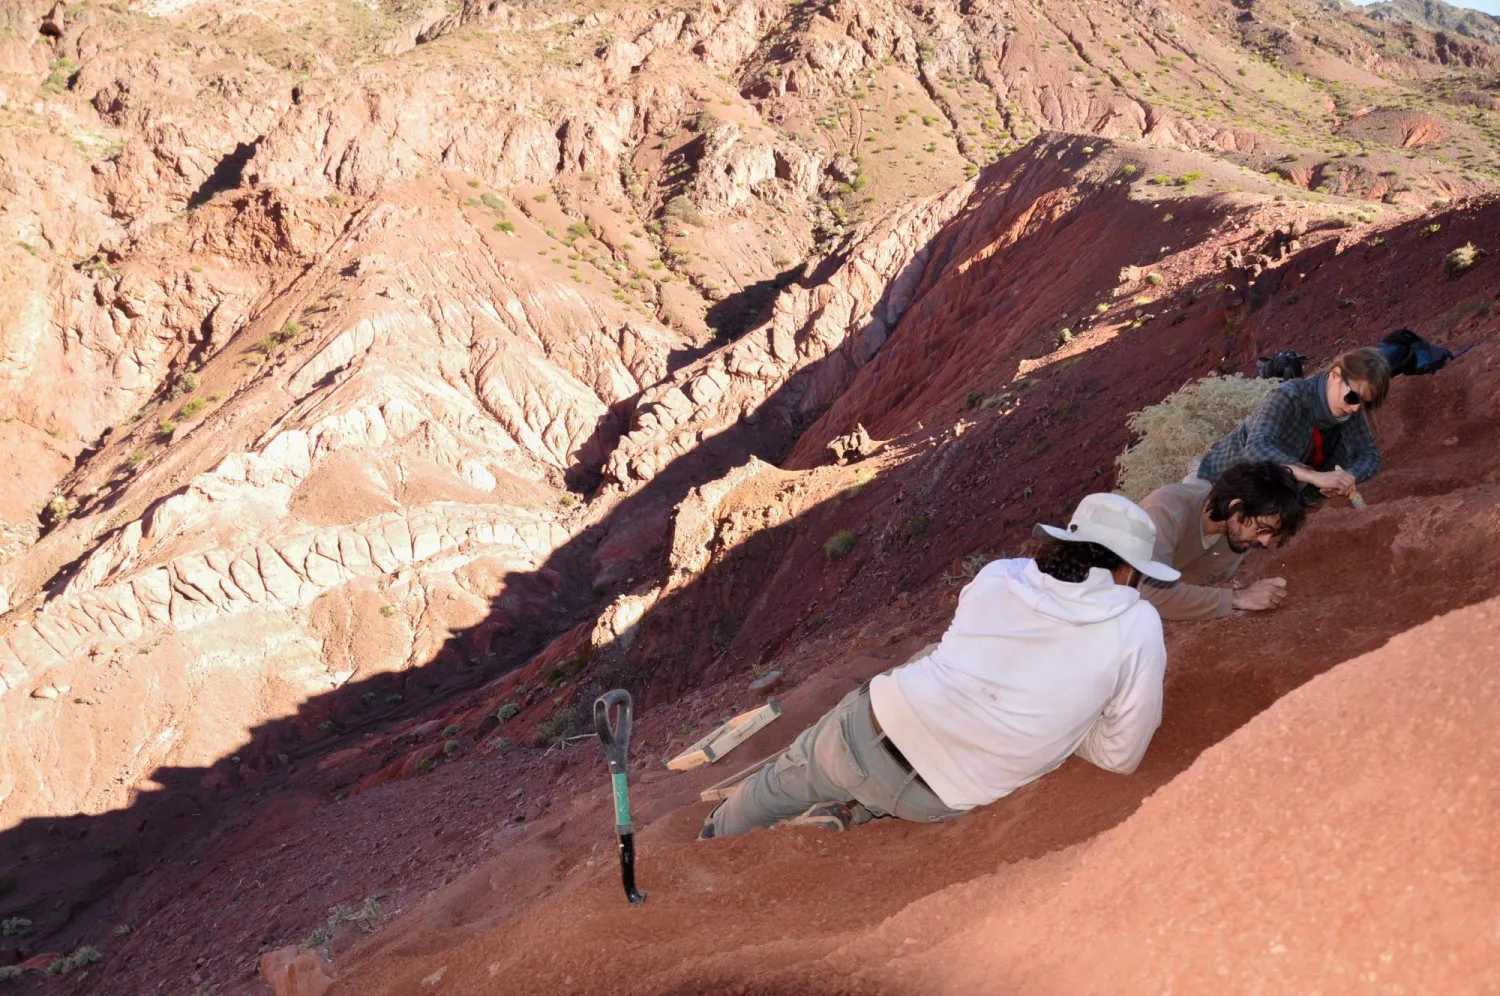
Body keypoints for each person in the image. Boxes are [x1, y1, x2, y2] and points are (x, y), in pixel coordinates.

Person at [701, 493, 1179, 839]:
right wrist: (1072, 724)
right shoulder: (1136, 624)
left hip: (865, 730)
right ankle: (851, 809)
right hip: (931, 799)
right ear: (1125, 570)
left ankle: (714, 837)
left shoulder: (1000, 575)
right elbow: (1121, 756)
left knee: (773, 787)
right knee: (890, 774)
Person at [1197, 347, 1390, 501]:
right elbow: (1256, 450)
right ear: (1335, 375)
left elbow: (1369, 455)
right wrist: (1315, 477)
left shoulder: (1349, 409)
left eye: (1366, 403)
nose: (1357, 408)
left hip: (1268, 494)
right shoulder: (1289, 396)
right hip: (1218, 480)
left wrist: (1346, 478)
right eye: (1354, 397)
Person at [1138, 461, 1308, 621]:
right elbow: (1150, 593)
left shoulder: (1234, 539)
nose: (1264, 542)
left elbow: (1186, 585)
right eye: (1262, 528)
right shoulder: (1163, 513)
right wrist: (1238, 598)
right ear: (1235, 507)